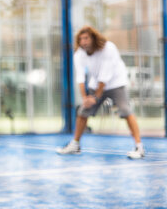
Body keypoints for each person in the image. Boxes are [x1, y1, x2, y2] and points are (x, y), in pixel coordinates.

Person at [56, 25, 145, 159]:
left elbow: (105, 75)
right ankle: (75, 145)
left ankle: (139, 147)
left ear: (93, 38)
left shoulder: (108, 48)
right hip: (96, 84)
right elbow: (80, 76)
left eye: (86, 38)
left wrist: (96, 97)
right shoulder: (79, 53)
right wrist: (85, 98)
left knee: (126, 111)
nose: (83, 42)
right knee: (82, 112)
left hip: (116, 83)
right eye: (80, 39)